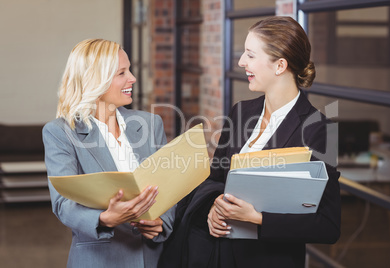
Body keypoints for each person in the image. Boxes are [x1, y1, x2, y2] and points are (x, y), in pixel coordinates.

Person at [158, 16, 340, 268]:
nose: (242, 62)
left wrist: (259, 218)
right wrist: (214, 206)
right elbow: (215, 178)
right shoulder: (241, 112)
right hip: (215, 255)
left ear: (279, 66)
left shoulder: (319, 129)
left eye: (250, 55)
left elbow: (328, 226)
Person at [43, 39, 175, 268]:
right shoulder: (60, 133)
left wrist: (162, 222)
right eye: (122, 73)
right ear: (95, 80)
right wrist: (104, 219)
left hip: (154, 257)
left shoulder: (150, 123)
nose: (132, 78)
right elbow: (63, 203)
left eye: (130, 70)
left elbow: (170, 186)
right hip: (99, 260)